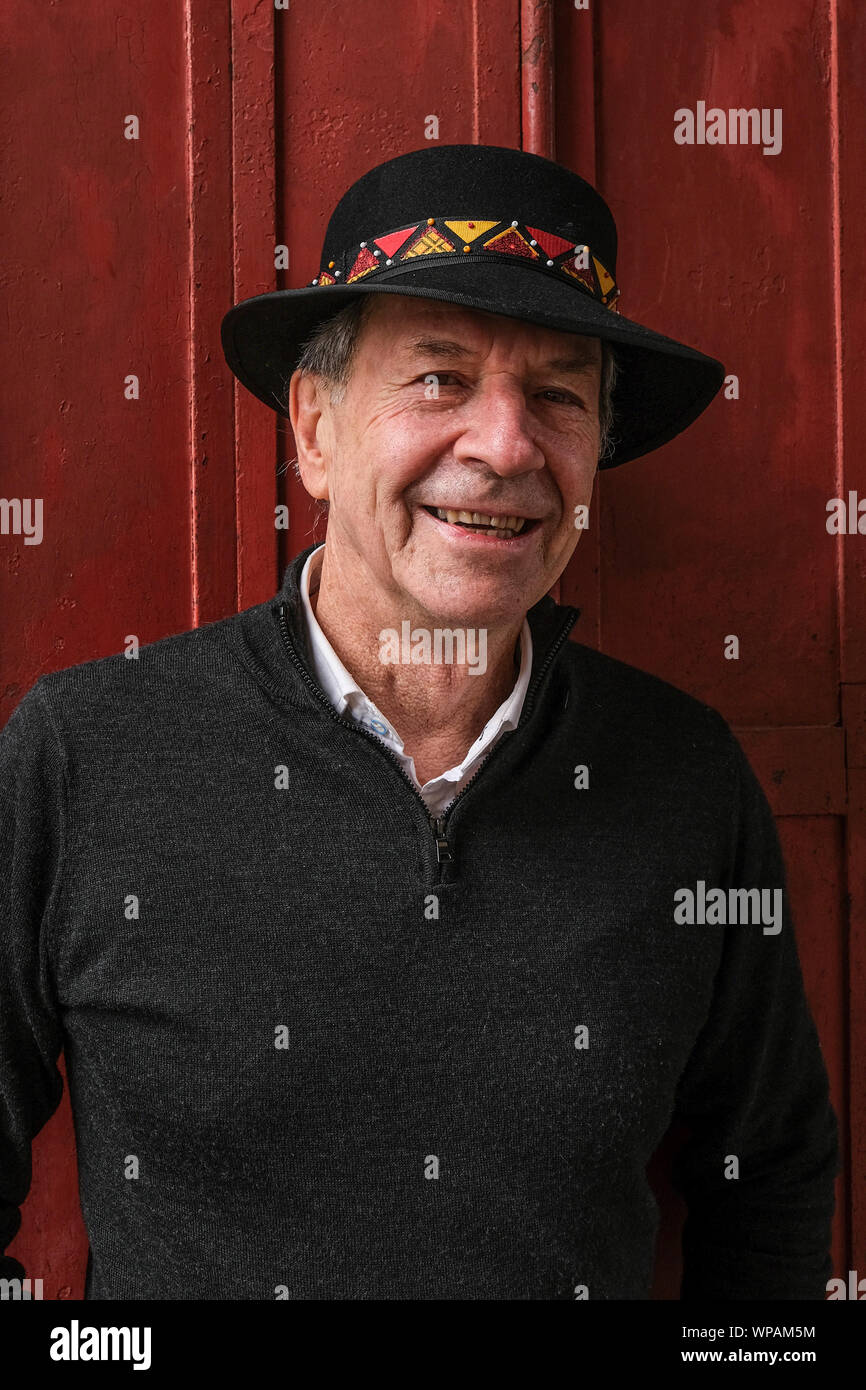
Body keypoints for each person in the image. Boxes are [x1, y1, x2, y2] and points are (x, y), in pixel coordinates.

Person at [0, 144, 839, 1300]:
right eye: (438, 379)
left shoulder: (683, 775)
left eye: (555, 394)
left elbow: (770, 1180)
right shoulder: (85, 752)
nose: (502, 447)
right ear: (315, 429)